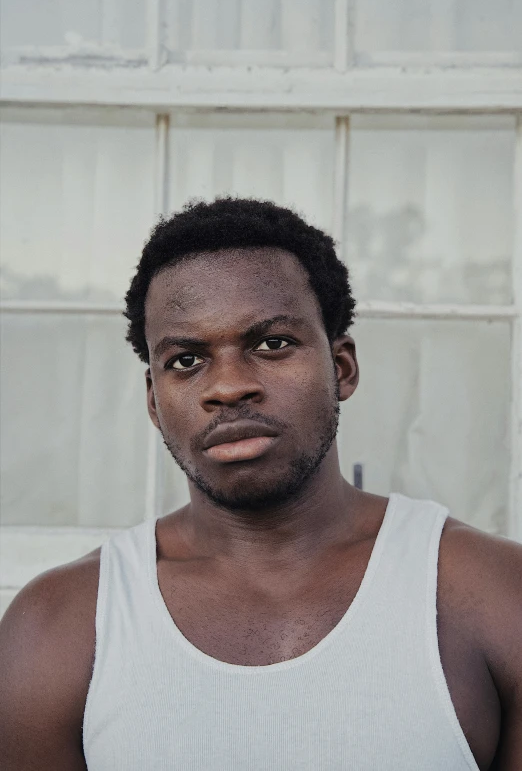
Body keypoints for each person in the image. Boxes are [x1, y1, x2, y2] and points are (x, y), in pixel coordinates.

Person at [0, 197, 520, 770]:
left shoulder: (493, 595)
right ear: (153, 399)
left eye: (271, 344)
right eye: (185, 360)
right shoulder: (58, 625)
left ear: (341, 367)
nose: (228, 386)